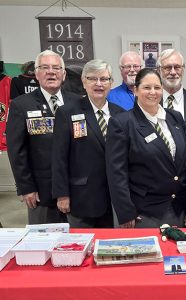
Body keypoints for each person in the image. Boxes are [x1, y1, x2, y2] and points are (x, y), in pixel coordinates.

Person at [106, 68, 186, 228]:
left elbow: (184, 162)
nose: (153, 92)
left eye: (157, 87)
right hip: (144, 212)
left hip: (178, 208)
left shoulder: (175, 118)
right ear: (136, 90)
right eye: (146, 87)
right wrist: (125, 212)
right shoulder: (122, 123)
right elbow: (117, 173)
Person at [6, 50, 80, 224]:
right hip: (41, 191)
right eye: (44, 67)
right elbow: (17, 151)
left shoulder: (77, 102)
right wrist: (26, 187)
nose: (51, 72)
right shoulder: (21, 105)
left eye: (56, 68)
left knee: (77, 242)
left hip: (76, 189)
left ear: (64, 74)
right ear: (36, 74)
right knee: (43, 243)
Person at [52, 59, 124, 228]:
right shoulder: (67, 112)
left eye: (104, 79)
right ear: (84, 82)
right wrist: (62, 195)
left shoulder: (120, 114)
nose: (99, 84)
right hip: (81, 197)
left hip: (114, 197)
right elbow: (59, 157)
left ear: (111, 83)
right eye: (92, 79)